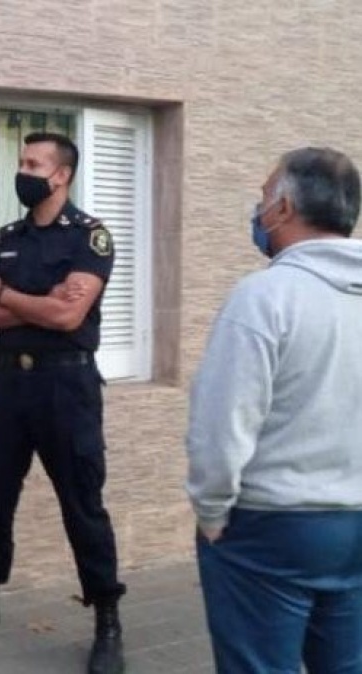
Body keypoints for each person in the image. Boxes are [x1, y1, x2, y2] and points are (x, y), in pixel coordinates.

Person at [0, 132, 126, 674]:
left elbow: (68, 317)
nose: (23, 171)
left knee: (82, 504)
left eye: (33, 163)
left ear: (61, 175)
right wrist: (39, 301)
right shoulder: (10, 237)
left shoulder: (89, 237)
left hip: (66, 388)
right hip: (8, 388)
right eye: (21, 161)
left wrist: (9, 296)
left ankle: (107, 620)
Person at [187, 147, 362, 674]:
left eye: (264, 197)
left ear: (283, 208)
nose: (258, 209)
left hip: (270, 528)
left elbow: (222, 425)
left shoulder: (265, 297)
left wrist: (211, 511)